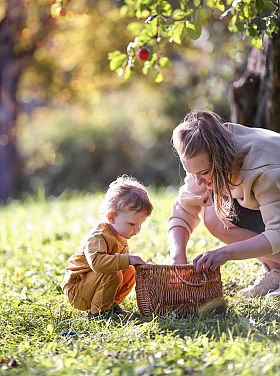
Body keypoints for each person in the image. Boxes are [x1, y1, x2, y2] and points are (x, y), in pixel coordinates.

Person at [168, 109, 280, 298]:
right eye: (192, 173)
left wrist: (226, 253)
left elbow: (278, 234)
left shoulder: (263, 167)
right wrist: (177, 258)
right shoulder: (205, 150)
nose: (198, 182)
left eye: (203, 173)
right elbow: (183, 209)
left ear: (220, 159)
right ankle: (275, 270)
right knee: (214, 215)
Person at [61, 175, 153, 319]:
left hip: (92, 285)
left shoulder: (118, 232)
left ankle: (110, 305)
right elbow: (97, 264)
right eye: (132, 224)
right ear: (112, 217)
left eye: (140, 224)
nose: (137, 230)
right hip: (78, 290)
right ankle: (98, 313)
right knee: (113, 271)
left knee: (129, 270)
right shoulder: (97, 236)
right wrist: (127, 259)